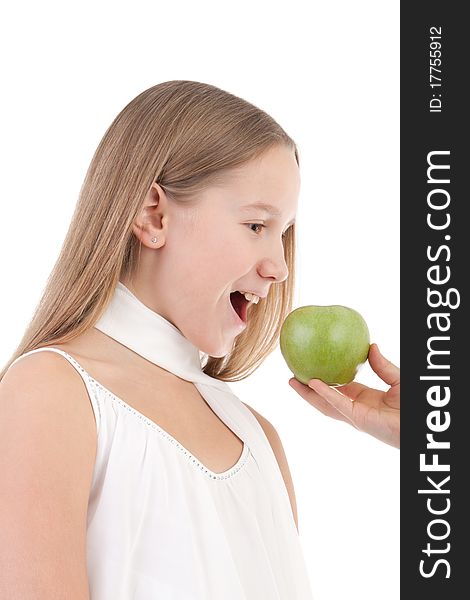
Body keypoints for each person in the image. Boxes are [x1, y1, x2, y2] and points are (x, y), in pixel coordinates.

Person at [0, 80, 398, 599]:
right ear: (153, 216)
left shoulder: (257, 436)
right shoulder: (51, 394)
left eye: (284, 233)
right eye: (257, 225)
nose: (279, 266)